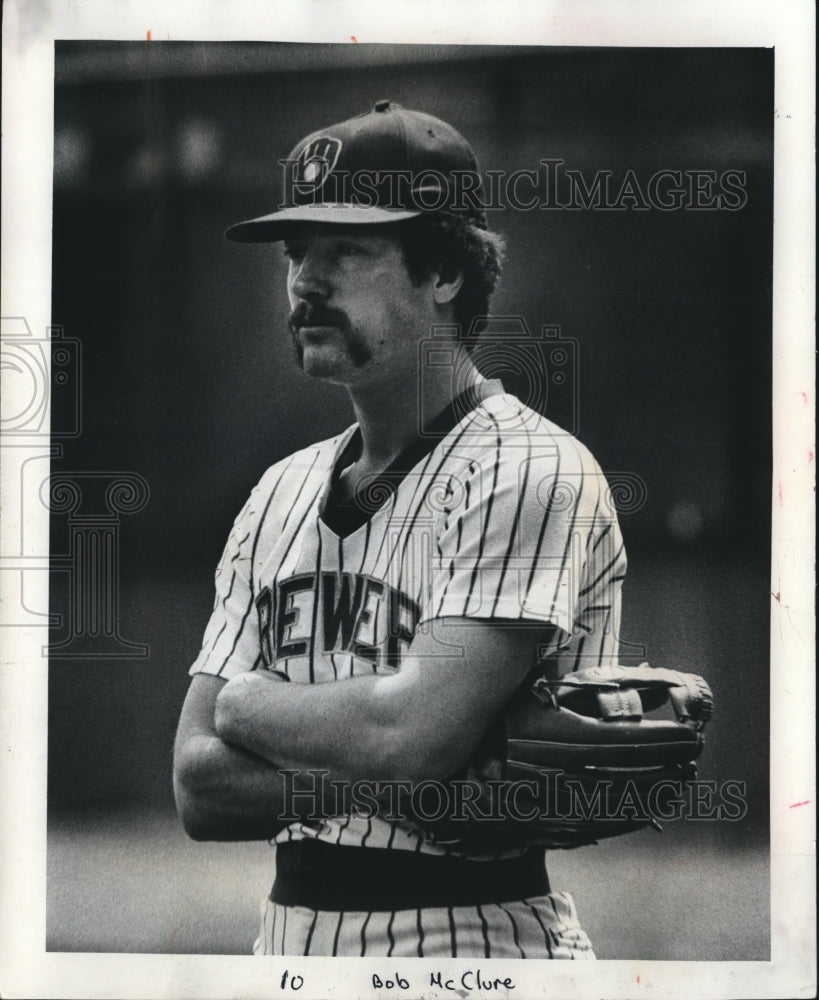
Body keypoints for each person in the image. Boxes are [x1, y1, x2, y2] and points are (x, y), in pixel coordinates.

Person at [173, 100, 627, 958]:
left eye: (346, 250)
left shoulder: (529, 468)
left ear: (444, 272)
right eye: (296, 251)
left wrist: (250, 706)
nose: (306, 280)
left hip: (473, 945)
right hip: (287, 951)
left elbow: (407, 739)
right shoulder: (277, 492)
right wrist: (401, 769)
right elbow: (198, 786)